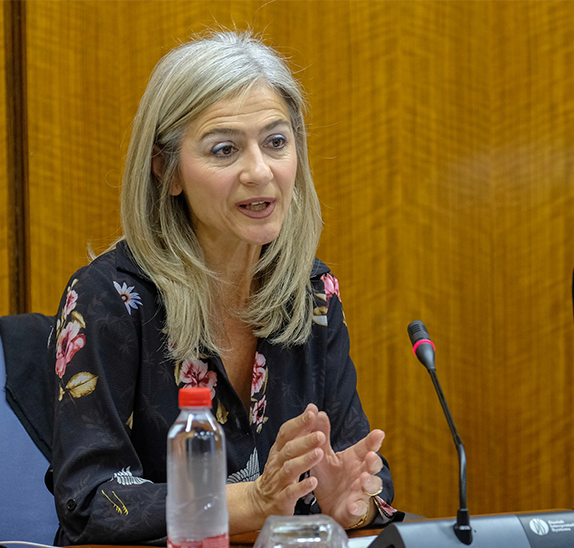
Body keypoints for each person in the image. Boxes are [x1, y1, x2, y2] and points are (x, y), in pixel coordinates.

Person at [49, 30, 399, 546]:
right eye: (224, 149)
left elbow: (357, 465)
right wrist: (254, 500)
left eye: (276, 142)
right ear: (167, 171)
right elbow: (92, 502)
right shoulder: (109, 299)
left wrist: (348, 500)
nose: (259, 171)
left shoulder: (310, 293)